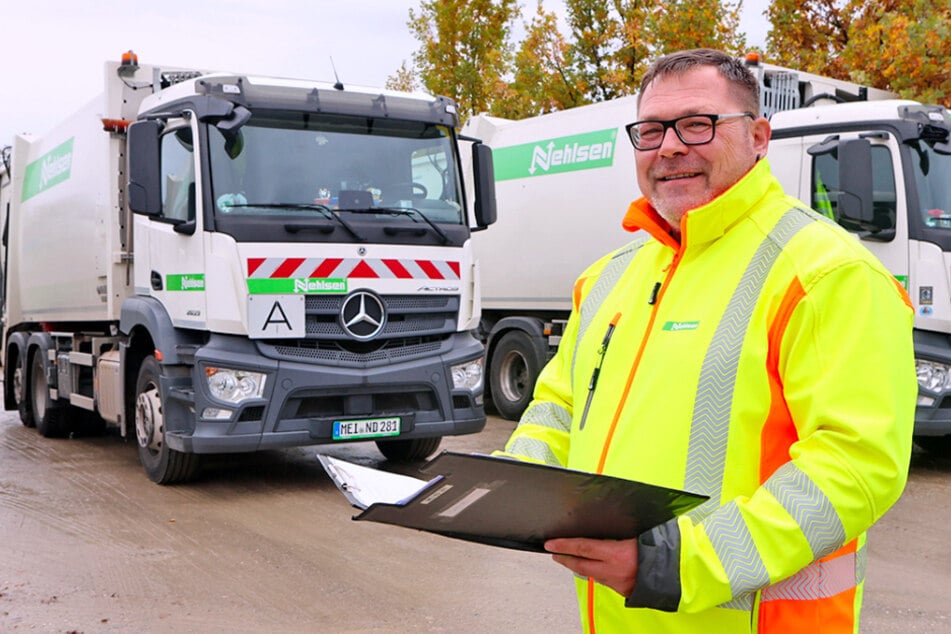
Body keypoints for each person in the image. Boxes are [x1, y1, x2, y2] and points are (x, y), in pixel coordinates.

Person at [496, 48, 916, 632]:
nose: (669, 146)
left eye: (698, 124)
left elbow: (855, 465)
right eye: (651, 131)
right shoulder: (608, 278)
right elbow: (559, 407)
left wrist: (677, 562)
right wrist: (517, 487)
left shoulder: (828, 273)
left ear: (759, 136)